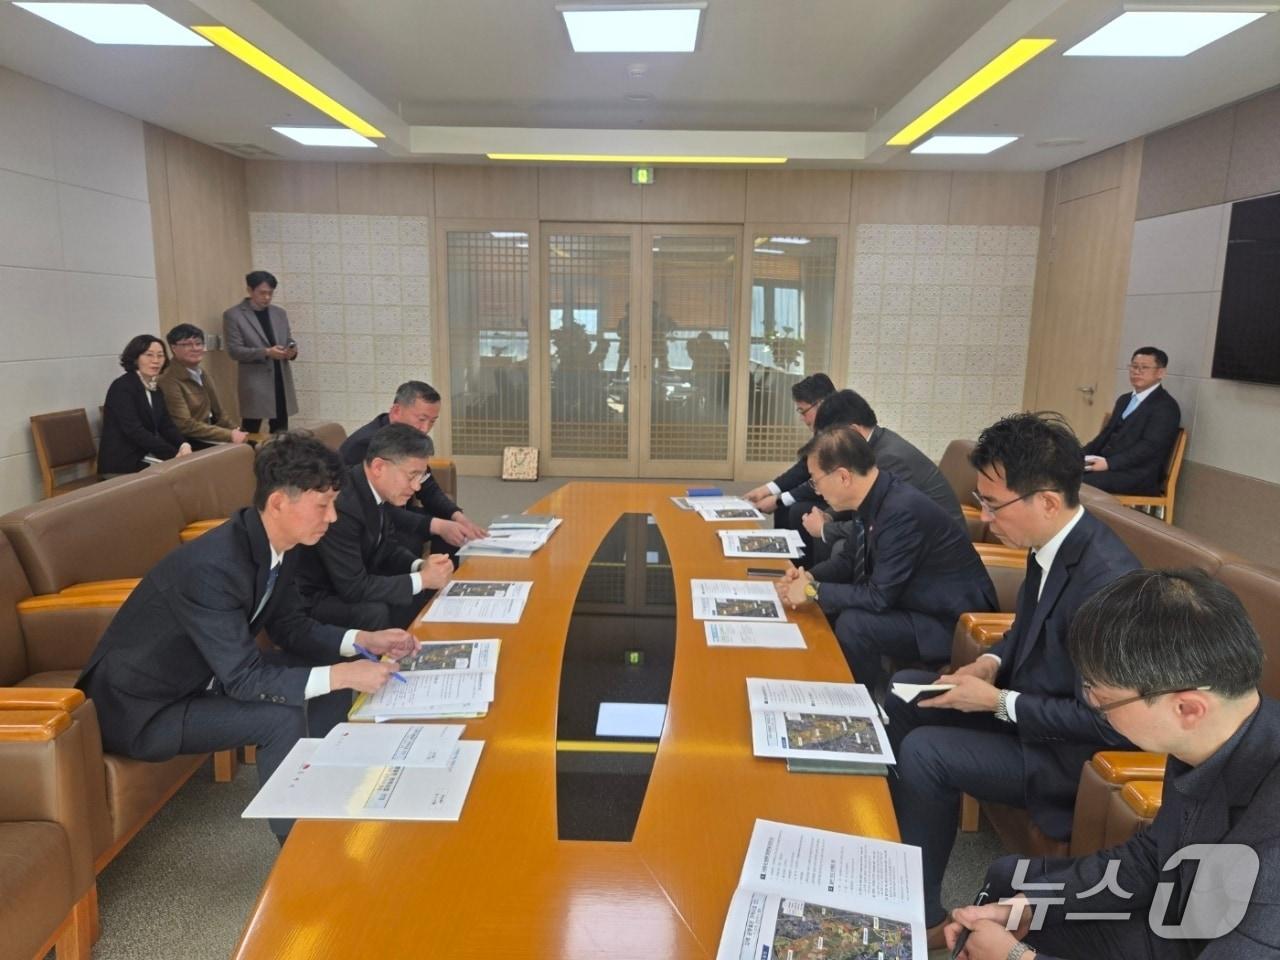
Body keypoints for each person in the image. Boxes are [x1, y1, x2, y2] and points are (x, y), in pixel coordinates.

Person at [76, 432, 417, 842]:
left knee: (329, 675)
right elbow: (244, 678)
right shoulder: (213, 567)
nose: (332, 518)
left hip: (204, 674)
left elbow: (292, 627)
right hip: (144, 708)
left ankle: (326, 790)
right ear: (278, 502)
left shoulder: (281, 544)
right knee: (281, 717)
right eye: (323, 506)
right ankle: (300, 849)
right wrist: (345, 676)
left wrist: (363, 640)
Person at [885, 412, 1140, 948]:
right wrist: (990, 664)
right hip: (1029, 711)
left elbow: (1109, 722)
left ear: (1046, 500)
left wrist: (999, 703)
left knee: (926, 752)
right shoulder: (1052, 545)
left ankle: (922, 913)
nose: (983, 515)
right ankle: (898, 856)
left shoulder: (1107, 584)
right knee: (908, 688)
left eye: (992, 504)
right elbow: (1025, 630)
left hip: (1069, 755)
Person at [946, 569, 1280, 960]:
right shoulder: (1209, 734)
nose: (1093, 706)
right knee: (1011, 884)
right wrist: (1035, 905)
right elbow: (1150, 857)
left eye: (1101, 698)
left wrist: (1019, 958)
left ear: (1188, 707)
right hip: (1178, 919)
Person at [776, 426, 997, 694]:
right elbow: (848, 560)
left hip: (948, 621)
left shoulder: (900, 510)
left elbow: (879, 598)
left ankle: (859, 703)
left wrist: (812, 591)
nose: (817, 491)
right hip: (913, 600)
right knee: (829, 602)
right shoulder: (875, 495)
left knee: (854, 624)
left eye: (815, 480)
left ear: (843, 476)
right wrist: (809, 577)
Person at [298, 424, 454, 630]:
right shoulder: (342, 506)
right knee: (378, 609)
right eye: (411, 476)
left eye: (421, 477)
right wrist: (422, 579)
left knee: (412, 590)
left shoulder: (376, 490)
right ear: (379, 467)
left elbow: (387, 548)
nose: (417, 487)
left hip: (350, 578)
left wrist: (420, 566)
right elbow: (353, 588)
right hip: (316, 596)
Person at [341, 381, 487, 553]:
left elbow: (428, 487)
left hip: (400, 509)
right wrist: (437, 525)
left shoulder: (409, 440)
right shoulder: (366, 445)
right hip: (370, 519)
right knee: (411, 542)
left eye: (432, 421)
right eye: (421, 419)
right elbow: (371, 506)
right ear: (396, 411)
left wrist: (457, 515)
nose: (425, 429)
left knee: (452, 526)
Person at [743, 372, 837, 538]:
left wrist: (779, 499)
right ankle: (788, 558)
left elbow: (821, 479)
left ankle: (801, 563)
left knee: (795, 509)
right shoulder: (826, 426)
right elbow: (805, 467)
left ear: (820, 404)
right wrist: (766, 490)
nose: (802, 418)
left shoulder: (840, 433)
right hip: (826, 487)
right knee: (786, 505)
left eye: (803, 411)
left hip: (839, 494)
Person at [1082, 346, 1181, 495]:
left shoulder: (1166, 407)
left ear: (1161, 373)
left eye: (1144, 367)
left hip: (1137, 475)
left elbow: (1148, 447)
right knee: (1059, 471)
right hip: (1108, 465)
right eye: (1134, 367)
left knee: (1077, 482)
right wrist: (1078, 455)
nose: (1137, 371)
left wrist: (1109, 464)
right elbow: (1106, 435)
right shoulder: (1124, 399)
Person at [98, 334, 193, 476]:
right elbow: (134, 431)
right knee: (178, 475)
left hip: (147, 456)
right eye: (149, 355)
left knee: (189, 469)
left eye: (160, 356)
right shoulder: (122, 387)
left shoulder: (155, 387)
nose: (156, 361)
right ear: (136, 358)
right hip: (123, 461)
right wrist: (173, 454)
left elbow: (166, 425)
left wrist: (183, 444)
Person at [224, 270, 298, 435]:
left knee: (281, 429)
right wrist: (266, 352)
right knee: (251, 430)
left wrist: (292, 349)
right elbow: (234, 351)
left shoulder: (279, 313)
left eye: (270, 293)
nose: (267, 298)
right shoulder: (234, 315)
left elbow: (288, 339)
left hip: (280, 376)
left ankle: (279, 459)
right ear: (250, 290)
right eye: (262, 293)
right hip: (255, 381)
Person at [158, 323, 249, 449]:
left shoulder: (202, 373)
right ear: (173, 348)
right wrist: (229, 435)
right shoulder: (168, 379)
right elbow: (185, 425)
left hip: (211, 433)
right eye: (187, 344)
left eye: (198, 343)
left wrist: (236, 430)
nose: (195, 348)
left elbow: (220, 414)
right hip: (189, 440)